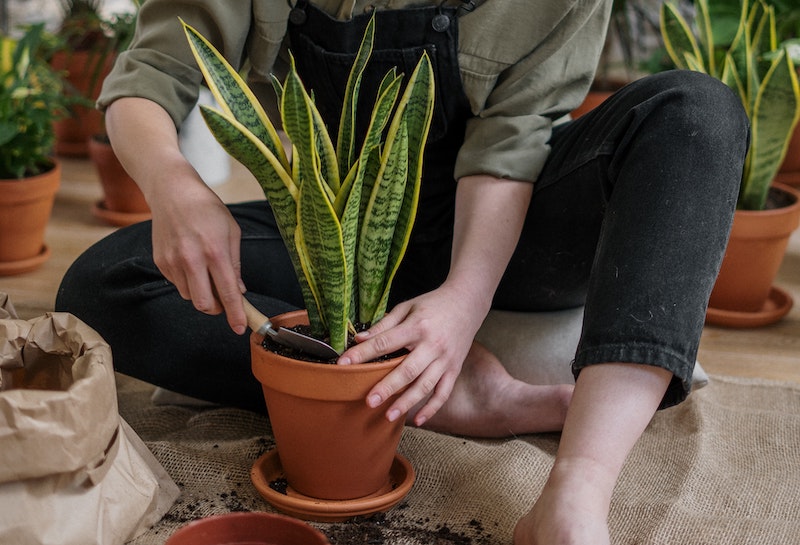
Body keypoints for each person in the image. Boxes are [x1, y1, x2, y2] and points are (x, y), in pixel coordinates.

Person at [55, 0, 749, 543]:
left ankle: (575, 493)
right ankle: (459, 399)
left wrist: (463, 302)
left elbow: (513, 145)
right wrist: (174, 182)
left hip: (513, 229)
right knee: (105, 281)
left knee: (696, 113)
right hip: (332, 244)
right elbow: (150, 73)